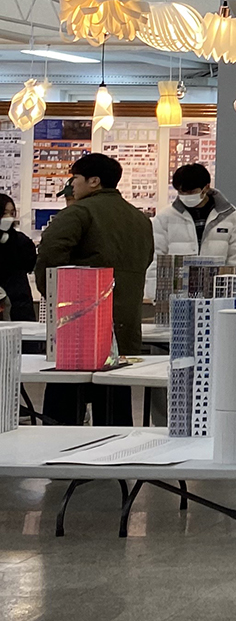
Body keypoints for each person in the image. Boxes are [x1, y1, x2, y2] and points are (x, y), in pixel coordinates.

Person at [34, 153, 154, 426]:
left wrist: (53, 298)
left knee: (63, 410)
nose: (72, 184)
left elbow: (50, 257)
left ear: (94, 181)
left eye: (75, 178)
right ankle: (117, 453)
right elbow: (146, 260)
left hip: (79, 325)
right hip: (124, 324)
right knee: (115, 407)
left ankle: (63, 453)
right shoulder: (140, 219)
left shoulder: (78, 213)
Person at [146, 162, 236, 298]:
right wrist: (154, 296)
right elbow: (155, 260)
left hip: (217, 296)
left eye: (190, 192)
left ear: (206, 187)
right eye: (181, 192)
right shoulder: (164, 218)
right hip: (176, 297)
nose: (185, 196)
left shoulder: (231, 218)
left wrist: (235, 297)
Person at [0, 194, 36, 321]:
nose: (8, 217)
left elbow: (30, 264)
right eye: (4, 213)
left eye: (11, 213)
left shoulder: (21, 240)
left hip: (19, 301)